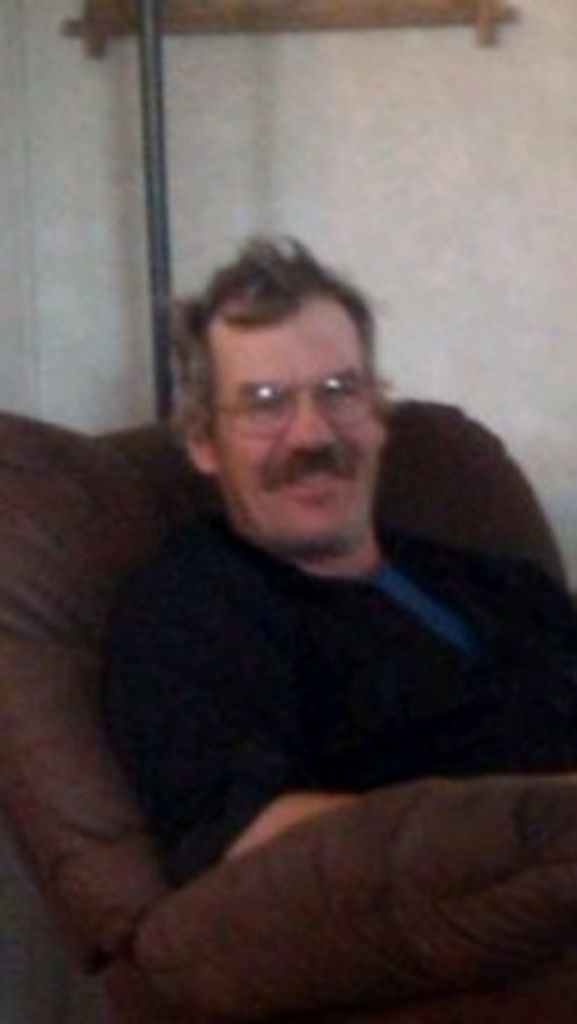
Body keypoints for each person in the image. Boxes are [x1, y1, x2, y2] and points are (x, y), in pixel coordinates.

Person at [104, 237, 577, 887]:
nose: (312, 434)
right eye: (265, 401)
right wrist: (540, 824)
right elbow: (239, 833)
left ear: (378, 416)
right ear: (204, 441)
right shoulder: (190, 608)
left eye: (338, 390)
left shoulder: (494, 580)